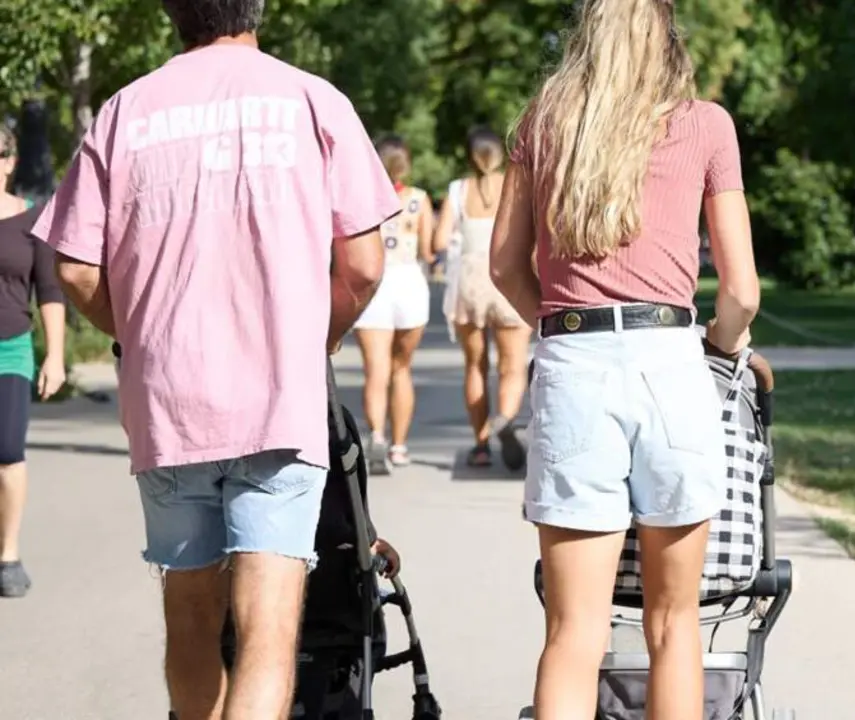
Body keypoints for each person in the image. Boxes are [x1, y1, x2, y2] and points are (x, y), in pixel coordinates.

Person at [29, 1, 396, 717]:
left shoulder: (123, 112)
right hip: (276, 408)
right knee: (267, 627)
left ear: (171, 12)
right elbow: (364, 265)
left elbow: (74, 269)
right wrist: (313, 337)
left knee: (191, 619)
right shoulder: (311, 100)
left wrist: (141, 335)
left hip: (168, 408)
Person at [489, 1, 760, 717]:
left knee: (574, 629)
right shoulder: (706, 125)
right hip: (672, 361)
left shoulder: (544, 123)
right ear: (668, 38)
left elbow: (504, 267)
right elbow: (740, 290)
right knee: (673, 626)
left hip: (574, 359)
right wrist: (721, 353)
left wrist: (559, 329)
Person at [433, 127, 532, 471]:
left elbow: (439, 241)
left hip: (470, 281)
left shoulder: (458, 191)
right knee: (512, 365)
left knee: (475, 365)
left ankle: (480, 445)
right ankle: (505, 418)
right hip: (509, 276)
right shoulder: (516, 185)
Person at [0, 126, 66, 599]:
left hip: (11, 348)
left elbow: (50, 289)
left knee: (7, 452)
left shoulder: (32, 220)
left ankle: (8, 553)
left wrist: (56, 356)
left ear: (9, 160)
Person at [353, 135, 433, 473]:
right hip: (409, 284)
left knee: (376, 370)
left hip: (375, 285)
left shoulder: (361, 197)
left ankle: (377, 435)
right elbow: (428, 250)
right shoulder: (417, 199)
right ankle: (399, 446)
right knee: (402, 369)